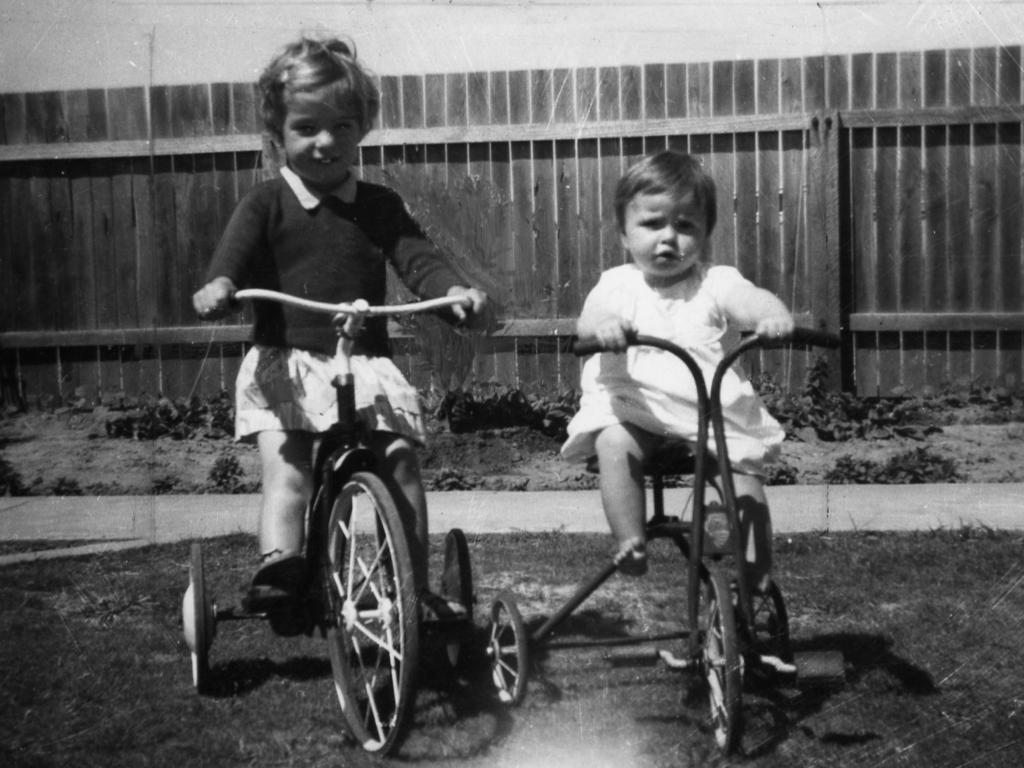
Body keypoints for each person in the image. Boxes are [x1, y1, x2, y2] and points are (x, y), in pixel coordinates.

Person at [192, 34, 488, 620]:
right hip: (288, 360)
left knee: (399, 456)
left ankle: (409, 583)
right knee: (290, 465)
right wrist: (220, 287)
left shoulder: (377, 204)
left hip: (363, 361)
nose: (326, 143)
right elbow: (232, 259)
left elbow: (417, 258)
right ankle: (281, 567)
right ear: (278, 133)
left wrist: (451, 291)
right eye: (307, 128)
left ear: (362, 129)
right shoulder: (266, 203)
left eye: (342, 127)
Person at [561, 150, 793, 589]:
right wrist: (605, 328)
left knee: (743, 478)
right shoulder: (617, 285)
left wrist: (771, 315)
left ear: (705, 234)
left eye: (685, 226)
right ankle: (631, 540)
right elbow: (588, 322)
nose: (669, 238)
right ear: (625, 235)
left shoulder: (714, 282)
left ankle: (755, 578)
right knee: (614, 442)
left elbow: (750, 299)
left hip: (708, 416)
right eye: (652, 224)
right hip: (637, 409)